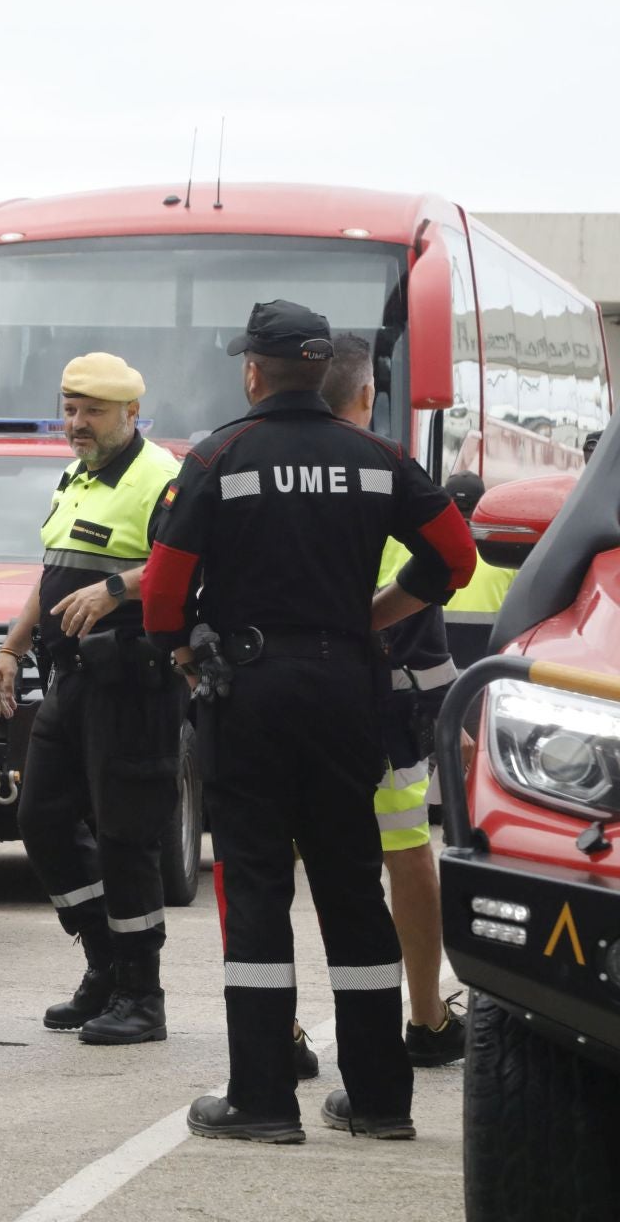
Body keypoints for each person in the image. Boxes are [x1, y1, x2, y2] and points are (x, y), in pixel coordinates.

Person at [142, 300, 475, 1143]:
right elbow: (457, 558)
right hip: (345, 690)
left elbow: (163, 594)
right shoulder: (379, 460)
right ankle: (379, 1101)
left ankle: (261, 1101)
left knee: (256, 888)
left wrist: (184, 655)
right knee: (351, 886)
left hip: (248, 694)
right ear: (326, 375)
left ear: (254, 371)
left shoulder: (219, 456)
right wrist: (373, 614)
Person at [0, 352, 183, 1045]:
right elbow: (52, 575)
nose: (77, 423)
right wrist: (11, 649)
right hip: (71, 681)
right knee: (40, 819)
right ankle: (104, 962)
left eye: (92, 411)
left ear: (131, 414)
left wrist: (117, 590)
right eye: (70, 409)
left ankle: (143, 995)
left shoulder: (161, 478)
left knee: (126, 837)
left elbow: (185, 567)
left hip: (131, 684)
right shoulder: (75, 476)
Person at [320, 334, 464, 1066]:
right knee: (406, 852)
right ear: (369, 396)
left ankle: (274, 1036)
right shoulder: (390, 473)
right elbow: (446, 572)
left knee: (269, 861)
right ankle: (426, 1018)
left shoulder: (245, 461)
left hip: (281, 700)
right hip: (384, 711)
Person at [438, 472, 517, 668]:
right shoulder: (503, 552)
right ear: (481, 505)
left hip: (433, 671)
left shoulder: (424, 545)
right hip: (484, 671)